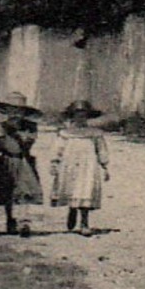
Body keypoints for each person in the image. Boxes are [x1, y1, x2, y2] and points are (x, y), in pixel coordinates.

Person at [50, 100, 109, 236]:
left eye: (84, 115)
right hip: (69, 164)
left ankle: (84, 223)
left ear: (88, 116)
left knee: (86, 190)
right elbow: (58, 149)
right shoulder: (66, 133)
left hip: (88, 165)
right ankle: (72, 209)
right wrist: (54, 162)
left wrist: (105, 166)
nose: (80, 118)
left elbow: (101, 150)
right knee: (73, 188)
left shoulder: (95, 133)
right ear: (72, 116)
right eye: (77, 115)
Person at [0, 91, 44, 236]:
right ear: (6, 111)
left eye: (19, 110)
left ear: (24, 112)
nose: (15, 114)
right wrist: (0, 139)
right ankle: (10, 218)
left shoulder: (30, 126)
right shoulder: (1, 126)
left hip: (23, 160)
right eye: (12, 110)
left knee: (25, 190)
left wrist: (21, 135)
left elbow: (28, 144)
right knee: (7, 190)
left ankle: (24, 221)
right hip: (6, 160)